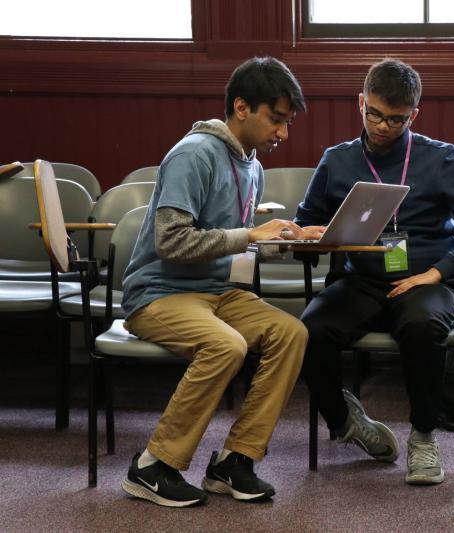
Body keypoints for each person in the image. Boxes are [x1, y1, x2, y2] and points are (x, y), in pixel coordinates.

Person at [120, 56, 323, 507]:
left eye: (287, 122)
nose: (283, 134)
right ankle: (154, 466)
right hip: (158, 293)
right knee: (226, 345)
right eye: (276, 119)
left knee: (291, 332)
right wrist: (250, 234)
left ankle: (235, 461)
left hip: (214, 291)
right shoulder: (194, 153)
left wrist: (287, 239)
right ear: (241, 107)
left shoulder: (251, 164)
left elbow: (230, 243)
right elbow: (172, 241)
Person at [295, 58, 454, 485]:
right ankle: (345, 421)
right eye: (374, 114)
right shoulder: (337, 161)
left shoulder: (442, 159)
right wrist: (309, 235)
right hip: (360, 280)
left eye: (396, 120)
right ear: (360, 102)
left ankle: (423, 436)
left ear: (413, 115)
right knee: (308, 332)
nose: (382, 126)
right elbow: (305, 222)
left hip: (425, 279)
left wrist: (439, 272)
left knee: (420, 327)